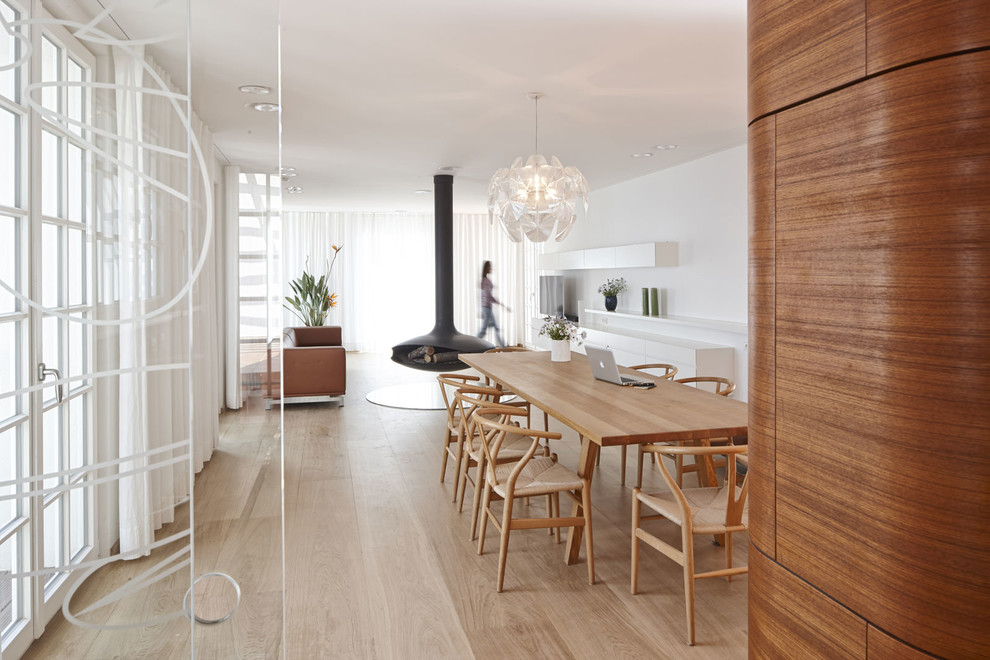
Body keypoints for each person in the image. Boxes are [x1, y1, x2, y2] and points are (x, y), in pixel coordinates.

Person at [477, 260, 509, 347]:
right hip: (487, 309)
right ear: (487, 268)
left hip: (486, 308)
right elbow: (488, 296)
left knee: (495, 328)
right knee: (483, 330)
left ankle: (504, 347)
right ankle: (472, 345)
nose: (491, 268)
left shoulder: (484, 280)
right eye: (490, 267)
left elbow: (483, 296)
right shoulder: (486, 281)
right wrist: (502, 304)